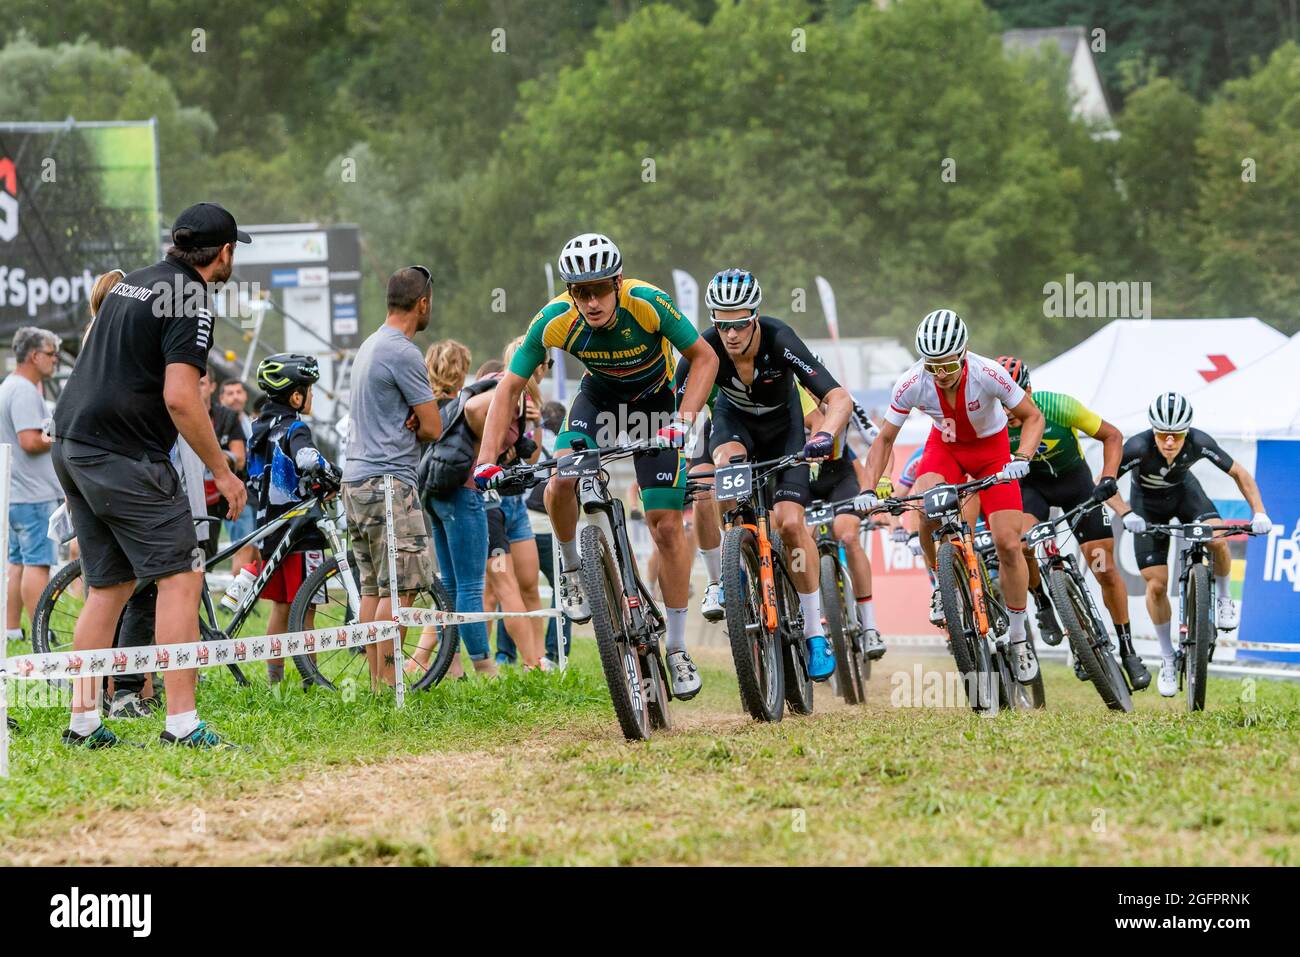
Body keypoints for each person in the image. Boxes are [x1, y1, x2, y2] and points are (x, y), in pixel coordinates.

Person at [473, 233, 719, 698]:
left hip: (655, 405)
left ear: (618, 283)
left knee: (665, 526)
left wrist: (683, 422)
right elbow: (508, 387)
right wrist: (486, 462)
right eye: (579, 292)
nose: (590, 301)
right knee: (561, 479)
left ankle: (678, 648)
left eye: (599, 289)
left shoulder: (648, 302)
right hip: (599, 401)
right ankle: (570, 573)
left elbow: (703, 357)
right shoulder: (553, 320)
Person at [52, 201, 250, 748]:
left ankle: (84, 722)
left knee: (108, 587)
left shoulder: (131, 282)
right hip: (123, 452)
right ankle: (182, 724)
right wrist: (223, 471)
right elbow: (183, 398)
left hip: (71, 442)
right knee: (183, 576)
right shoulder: (191, 297)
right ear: (224, 253)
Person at [674, 268, 852, 681]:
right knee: (713, 480)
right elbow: (678, 412)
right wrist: (674, 447)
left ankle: (813, 631)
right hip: (733, 426)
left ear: (755, 316)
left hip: (784, 430)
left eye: (739, 322)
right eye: (722, 322)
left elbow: (838, 397)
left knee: (790, 524)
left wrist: (825, 433)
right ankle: (721, 580)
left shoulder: (779, 338)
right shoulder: (707, 348)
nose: (731, 333)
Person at [861, 309, 1046, 682]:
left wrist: (1022, 457)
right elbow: (884, 438)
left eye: (947, 365)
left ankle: (1018, 635)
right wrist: (873, 484)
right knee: (928, 507)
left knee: (1008, 544)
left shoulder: (987, 372)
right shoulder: (912, 381)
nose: (940, 375)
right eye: (933, 366)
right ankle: (941, 584)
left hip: (992, 453)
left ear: (963, 354)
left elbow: (1033, 417)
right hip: (945, 448)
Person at [996, 355, 1148, 689]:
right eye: (1000, 399)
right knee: (1020, 544)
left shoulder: (1057, 406)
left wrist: (1108, 477)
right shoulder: (990, 420)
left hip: (1076, 487)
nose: (1007, 410)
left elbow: (1112, 435)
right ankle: (1042, 603)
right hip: (1031, 489)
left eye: (1013, 399)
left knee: (1104, 567)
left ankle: (1127, 649)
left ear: (1029, 391)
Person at [1113, 392, 1272, 696]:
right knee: (1157, 586)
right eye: (1163, 434)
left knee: (1218, 540)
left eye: (1177, 435)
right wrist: (1126, 512)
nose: (1170, 442)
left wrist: (1260, 511)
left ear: (1187, 432)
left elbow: (1239, 472)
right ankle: (1167, 657)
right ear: (1152, 431)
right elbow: (1103, 483)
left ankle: (1225, 600)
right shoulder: (1136, 447)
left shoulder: (1199, 442)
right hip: (1146, 507)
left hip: (1186, 495)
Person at [342, 266, 442, 689]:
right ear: (422, 303)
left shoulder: (368, 345)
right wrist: (416, 421)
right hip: (388, 482)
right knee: (400, 589)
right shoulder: (403, 352)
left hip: (355, 480)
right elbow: (434, 427)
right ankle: (389, 681)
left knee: (372, 586)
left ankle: (376, 683)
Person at [245, 354, 340, 684]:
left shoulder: (260, 429)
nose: (311, 397)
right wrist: (332, 473)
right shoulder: (296, 427)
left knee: (282, 608)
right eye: (309, 391)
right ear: (296, 397)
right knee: (306, 610)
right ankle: (310, 678)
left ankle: (275, 682)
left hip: (269, 531)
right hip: (302, 533)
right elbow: (306, 457)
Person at [416, 341, 495, 677]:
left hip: (431, 496)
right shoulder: (469, 405)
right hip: (464, 494)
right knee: (471, 586)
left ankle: (451, 664)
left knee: (447, 583)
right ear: (461, 370)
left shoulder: (423, 409)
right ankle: (484, 666)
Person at [801, 387, 887, 660]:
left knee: (847, 537)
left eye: (815, 390)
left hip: (839, 476)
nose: (812, 395)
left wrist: (881, 483)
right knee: (801, 542)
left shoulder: (846, 401)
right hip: (801, 478)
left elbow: (881, 439)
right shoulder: (786, 397)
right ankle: (809, 619)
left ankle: (870, 626)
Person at [0, 327, 63, 645]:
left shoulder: (8, 386)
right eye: (51, 354)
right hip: (34, 494)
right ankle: (41, 630)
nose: (55, 360)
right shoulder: (25, 390)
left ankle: (11, 630)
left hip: (15, 493)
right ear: (35, 355)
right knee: (37, 563)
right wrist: (60, 433)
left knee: (18, 563)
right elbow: (29, 440)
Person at [199, 368, 246, 558]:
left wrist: (204, 456)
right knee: (192, 560)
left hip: (219, 498)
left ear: (212, 387)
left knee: (208, 556)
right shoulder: (173, 410)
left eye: (201, 383)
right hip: (184, 497)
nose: (196, 388)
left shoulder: (228, 416)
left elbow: (239, 459)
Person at [220, 378, 259, 573]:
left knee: (256, 550)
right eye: (230, 393)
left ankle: (247, 600)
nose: (235, 397)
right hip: (234, 492)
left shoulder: (250, 421)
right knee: (243, 547)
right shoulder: (221, 423)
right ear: (221, 398)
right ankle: (233, 602)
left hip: (254, 492)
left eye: (238, 392)